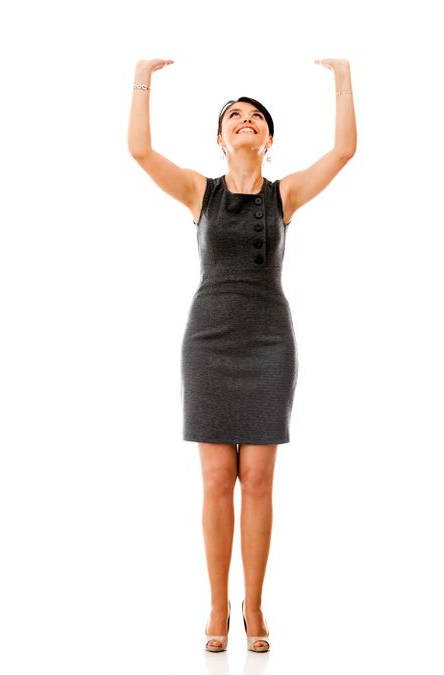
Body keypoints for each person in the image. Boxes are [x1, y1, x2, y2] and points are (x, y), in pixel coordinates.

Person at [128, 57, 357, 652]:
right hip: (207, 341)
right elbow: (141, 152)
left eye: (255, 117)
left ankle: (253, 606)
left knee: (256, 478)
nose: (245, 121)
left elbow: (343, 152)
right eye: (234, 116)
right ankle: (215, 604)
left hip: (269, 341)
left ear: (269, 138)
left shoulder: (285, 196)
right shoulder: (198, 192)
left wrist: (342, 78)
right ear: (221, 137)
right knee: (214, 479)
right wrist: (142, 76)